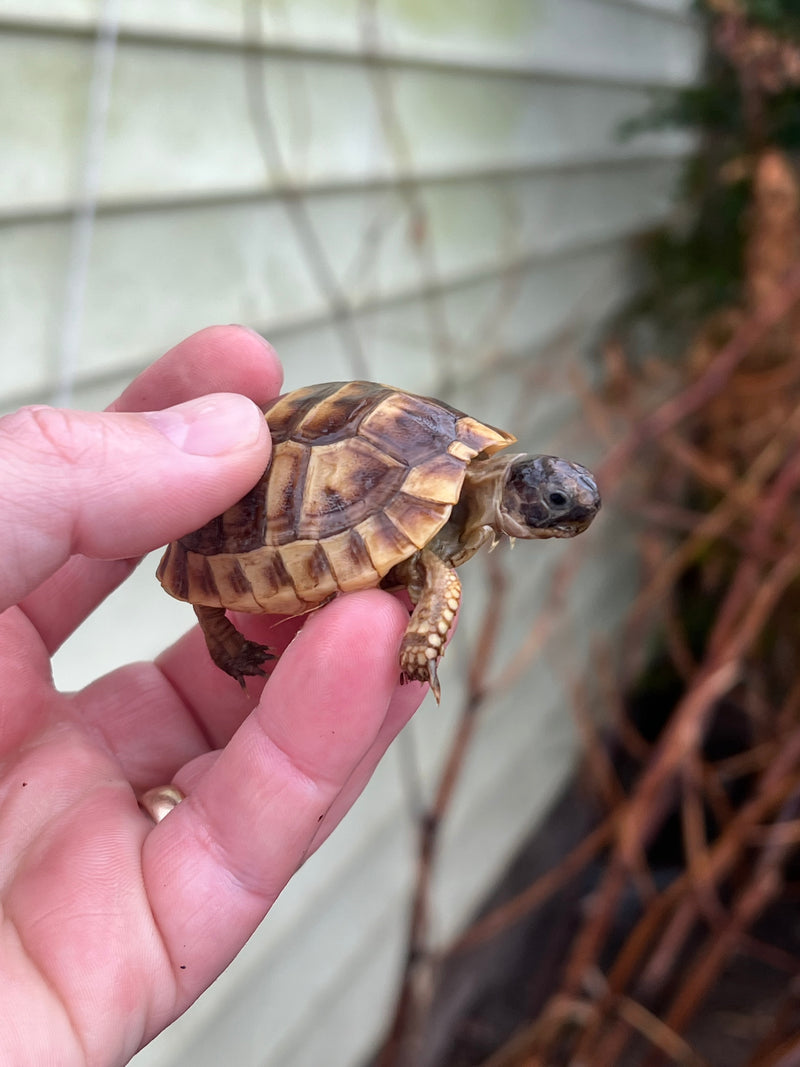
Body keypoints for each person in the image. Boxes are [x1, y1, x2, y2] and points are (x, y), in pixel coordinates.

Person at [0, 326, 425, 1065]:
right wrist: (423, 642)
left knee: (351, 643)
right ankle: (226, 630)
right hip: (268, 522)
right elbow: (434, 585)